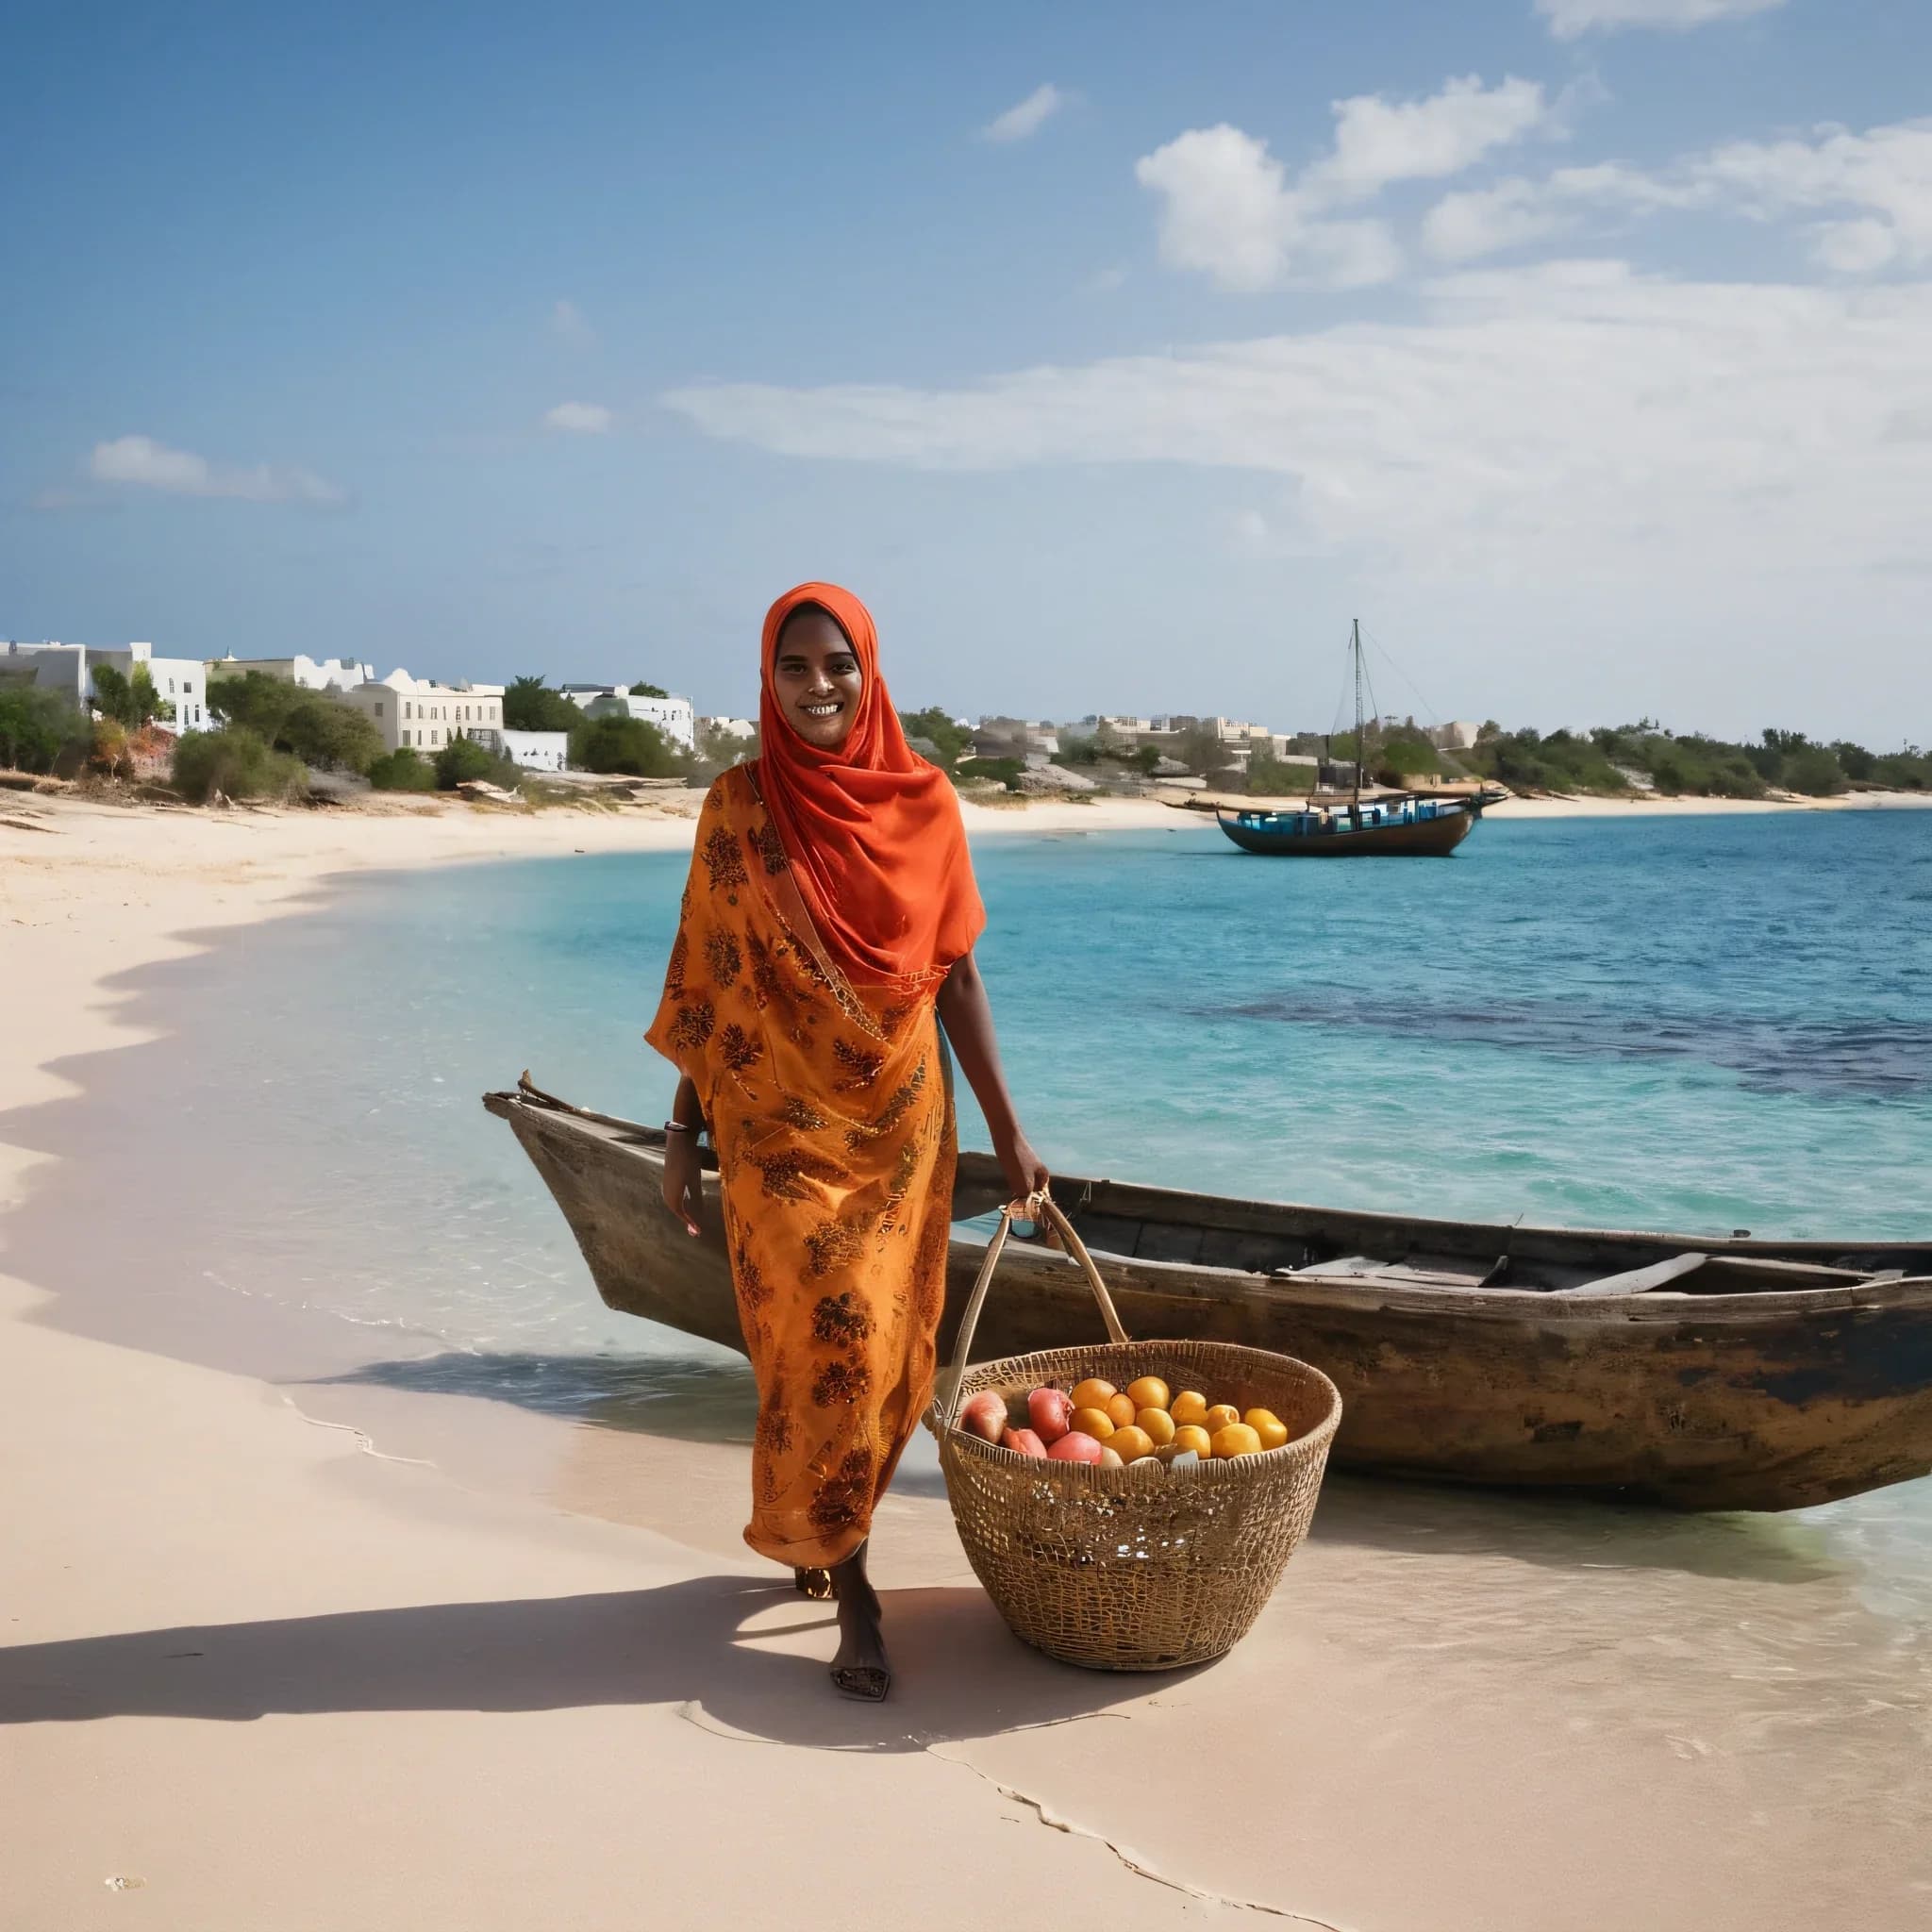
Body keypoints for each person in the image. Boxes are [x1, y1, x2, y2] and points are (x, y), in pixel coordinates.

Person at [646, 582, 1047, 1700]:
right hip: (773, 1130)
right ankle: (857, 1591)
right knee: (823, 1341)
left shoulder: (927, 804)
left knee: (882, 1351)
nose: (818, 686)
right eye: (795, 668)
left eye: (838, 665)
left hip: (901, 1123)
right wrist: (680, 1131)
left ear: (870, 672)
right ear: (766, 682)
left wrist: (1010, 1133)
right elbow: (712, 988)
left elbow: (958, 970)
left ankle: (831, 1532)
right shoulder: (735, 810)